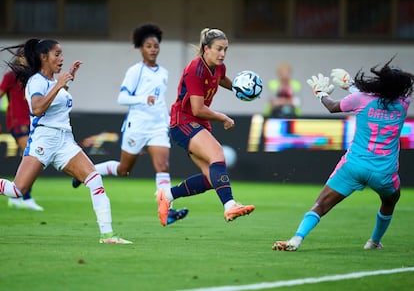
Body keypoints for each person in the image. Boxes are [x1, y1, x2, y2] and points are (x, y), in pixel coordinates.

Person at [273, 59, 413, 251]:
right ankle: (373, 241)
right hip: (384, 171)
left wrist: (321, 94)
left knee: (320, 205)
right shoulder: (404, 104)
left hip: (354, 166)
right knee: (391, 200)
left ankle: (297, 238)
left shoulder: (361, 99)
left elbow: (333, 106)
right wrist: (351, 86)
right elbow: (376, 98)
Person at [0, 39, 131, 244]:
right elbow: (37, 108)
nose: (61, 58)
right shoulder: (36, 81)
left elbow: (58, 102)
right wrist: (60, 84)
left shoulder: (53, 82)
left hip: (64, 140)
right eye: (57, 54)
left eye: (61, 54)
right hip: (43, 139)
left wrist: (66, 80)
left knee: (94, 179)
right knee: (17, 191)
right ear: (44, 57)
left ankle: (108, 236)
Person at [72, 24, 188, 225]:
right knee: (124, 170)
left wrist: (167, 117)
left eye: (156, 46)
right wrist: (143, 99)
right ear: (141, 48)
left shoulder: (164, 73)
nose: (153, 49)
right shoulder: (135, 71)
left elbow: (159, 99)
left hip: (158, 126)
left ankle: (167, 210)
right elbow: (122, 98)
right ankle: (89, 172)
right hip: (137, 126)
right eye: (148, 46)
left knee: (163, 166)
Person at [156, 28, 255, 226]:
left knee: (212, 179)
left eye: (225, 49)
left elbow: (222, 79)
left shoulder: (218, 67)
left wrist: (240, 87)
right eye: (219, 49)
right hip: (182, 122)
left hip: (198, 123)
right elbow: (198, 109)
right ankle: (230, 206)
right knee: (218, 154)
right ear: (206, 48)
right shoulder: (195, 70)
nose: (223, 54)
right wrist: (223, 118)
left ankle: (167, 195)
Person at [0, 50, 43, 211]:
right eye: (24, 56)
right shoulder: (11, 76)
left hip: (33, 121)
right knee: (32, 157)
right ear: (18, 57)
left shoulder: (33, 76)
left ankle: (17, 196)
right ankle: (26, 197)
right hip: (18, 121)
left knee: (30, 159)